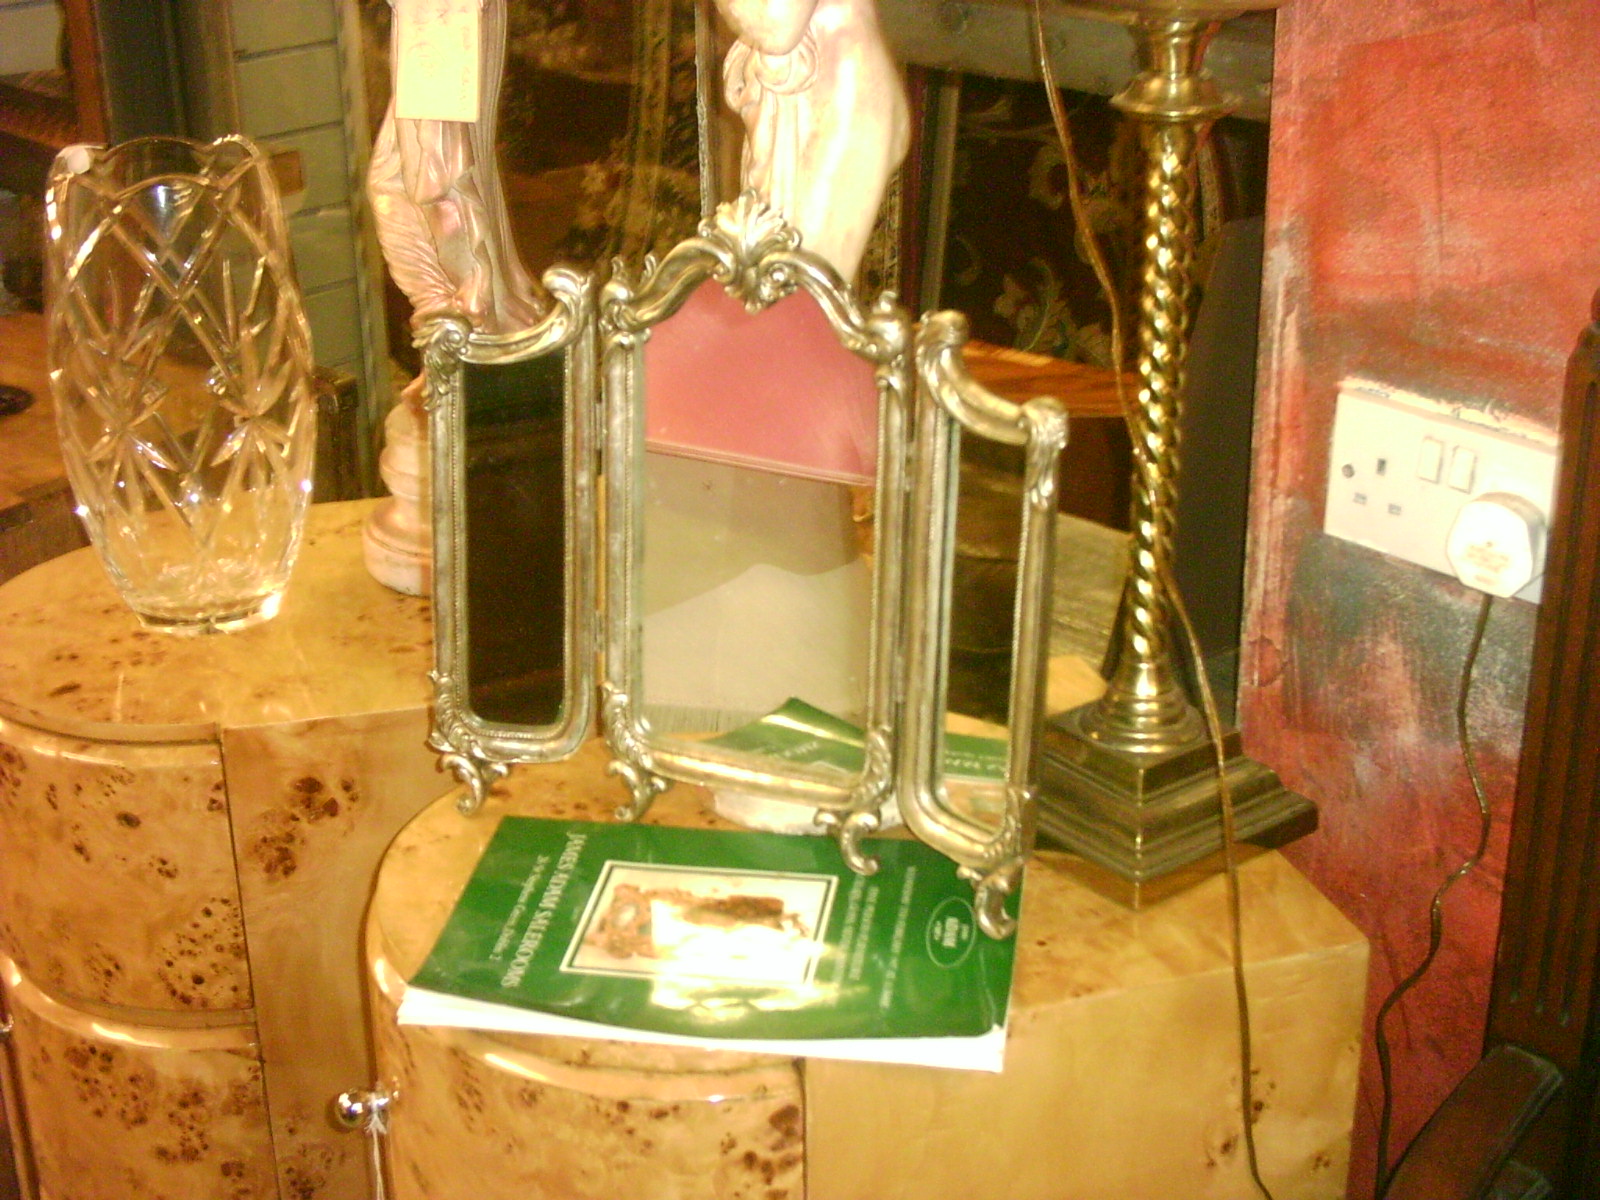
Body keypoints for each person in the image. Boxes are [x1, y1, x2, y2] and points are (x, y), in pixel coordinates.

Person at [718, 0, 909, 280]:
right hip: (806, 98)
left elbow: (778, 26)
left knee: (799, 286)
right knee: (775, 279)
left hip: (836, 96)